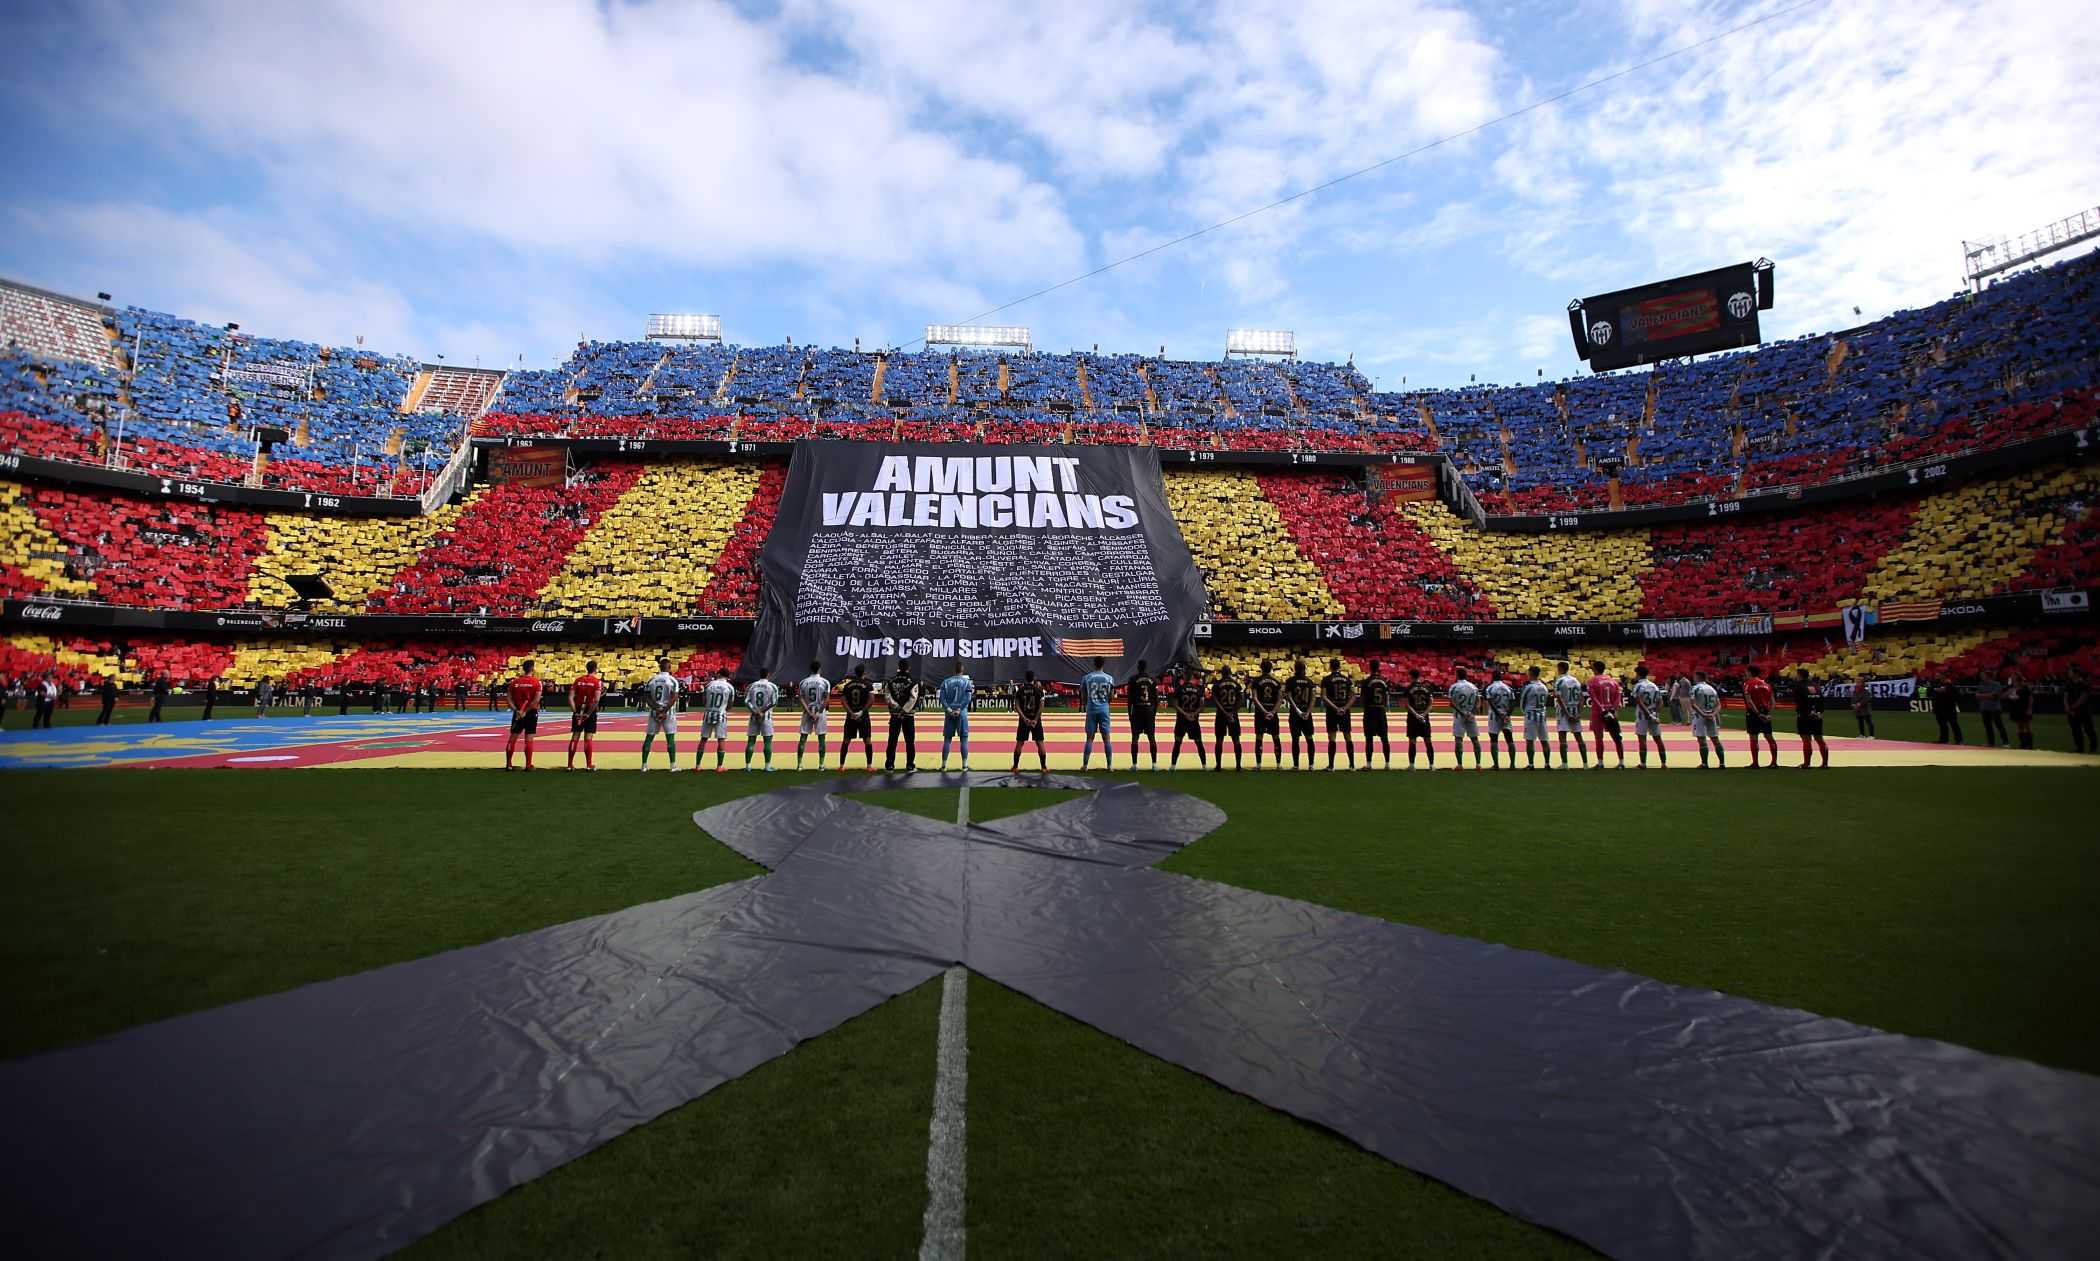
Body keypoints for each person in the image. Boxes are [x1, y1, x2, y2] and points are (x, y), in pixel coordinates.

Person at [638, 656, 682, 772]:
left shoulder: (651, 680)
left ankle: (644, 765)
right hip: (668, 712)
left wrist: (656, 709)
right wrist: (664, 710)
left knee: (649, 737)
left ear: (659, 667)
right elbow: (674, 697)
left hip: (654, 712)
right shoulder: (672, 680)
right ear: (669, 667)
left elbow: (646, 697)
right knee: (670, 738)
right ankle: (673, 765)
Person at [505, 660, 543, 771]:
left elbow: (508, 698)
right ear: (532, 669)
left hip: (517, 713)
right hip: (530, 712)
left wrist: (516, 710)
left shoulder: (515, 682)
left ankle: (508, 764)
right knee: (529, 739)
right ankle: (528, 765)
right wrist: (526, 711)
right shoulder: (536, 682)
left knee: (512, 738)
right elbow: (536, 700)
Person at [1319, 657, 1356, 770]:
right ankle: (1352, 765)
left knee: (1332, 737)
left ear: (1330, 666)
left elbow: (1324, 697)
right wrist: (1344, 708)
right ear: (1339, 667)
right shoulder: (1347, 680)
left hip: (1332, 711)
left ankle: (1331, 766)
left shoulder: (1326, 679)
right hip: (1345, 711)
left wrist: (1336, 708)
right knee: (1347, 736)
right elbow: (1353, 696)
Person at [567, 659, 605, 771]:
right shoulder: (597, 682)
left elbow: (570, 698)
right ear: (595, 669)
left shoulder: (577, 680)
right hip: (590, 710)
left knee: (575, 736)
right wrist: (588, 714)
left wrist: (575, 712)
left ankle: (569, 765)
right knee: (588, 737)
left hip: (578, 709)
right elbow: (596, 700)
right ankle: (589, 765)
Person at [937, 662, 975, 772]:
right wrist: (959, 709)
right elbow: (968, 698)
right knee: (964, 739)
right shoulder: (967, 682)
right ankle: (964, 766)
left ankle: (943, 766)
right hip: (961, 713)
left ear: (954, 670)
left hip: (949, 713)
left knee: (947, 739)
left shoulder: (946, 682)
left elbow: (942, 699)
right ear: (962, 671)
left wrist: (949, 709)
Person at [1078, 657, 1114, 771]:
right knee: (1106, 738)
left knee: (1089, 738)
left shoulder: (1087, 678)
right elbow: (1111, 696)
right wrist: (1106, 702)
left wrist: (1085, 703)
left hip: (1091, 708)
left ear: (1094, 664)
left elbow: (1083, 693)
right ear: (1103, 664)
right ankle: (1109, 766)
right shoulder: (1109, 678)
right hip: (1104, 709)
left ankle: (1085, 765)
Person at [795, 661, 832, 772]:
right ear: (819, 669)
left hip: (808, 712)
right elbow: (826, 699)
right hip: (820, 712)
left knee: (803, 738)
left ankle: (799, 765)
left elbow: (801, 698)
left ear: (810, 669)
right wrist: (818, 712)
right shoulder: (825, 682)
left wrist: (809, 712)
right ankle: (821, 765)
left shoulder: (803, 682)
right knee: (821, 738)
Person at [1168, 664, 1207, 769]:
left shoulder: (1179, 689)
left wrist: (1185, 714)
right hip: (1194, 720)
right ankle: (1204, 766)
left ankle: (1173, 766)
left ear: (1184, 676)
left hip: (1182, 719)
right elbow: (1202, 707)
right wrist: (1193, 714)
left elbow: (1175, 705)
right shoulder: (1198, 689)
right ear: (1192, 676)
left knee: (1177, 743)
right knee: (1199, 743)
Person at [697, 668, 737, 770]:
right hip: (721, 714)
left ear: (718, 674)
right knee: (721, 739)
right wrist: (724, 709)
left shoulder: (709, 685)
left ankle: (698, 765)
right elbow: (730, 704)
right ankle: (719, 766)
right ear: (728, 676)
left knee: (703, 739)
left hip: (708, 713)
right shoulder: (730, 687)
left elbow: (704, 700)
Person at [883, 663, 920, 772]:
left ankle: (889, 765)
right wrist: (904, 710)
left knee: (892, 740)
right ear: (909, 668)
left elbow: (887, 697)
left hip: (895, 714)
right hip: (908, 715)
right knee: (909, 741)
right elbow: (913, 698)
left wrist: (898, 708)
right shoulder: (913, 681)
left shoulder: (891, 681)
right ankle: (910, 765)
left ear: (898, 666)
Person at [1552, 661, 1589, 768]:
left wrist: (1567, 714)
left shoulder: (1559, 681)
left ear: (1560, 668)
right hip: (1575, 710)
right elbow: (1582, 697)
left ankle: (1564, 763)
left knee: (1562, 736)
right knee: (1579, 737)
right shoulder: (1575, 680)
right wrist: (1579, 713)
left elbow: (1559, 698)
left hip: (1564, 711)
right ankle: (1585, 763)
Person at [839, 665, 876, 770]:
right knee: (867, 740)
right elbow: (871, 700)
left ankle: (841, 766)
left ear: (855, 673)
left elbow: (843, 701)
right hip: (863, 715)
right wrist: (862, 711)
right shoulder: (868, 685)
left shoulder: (847, 685)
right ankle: (869, 766)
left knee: (846, 740)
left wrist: (851, 712)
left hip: (851, 715)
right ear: (864, 673)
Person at [745, 667, 782, 771]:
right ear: (768, 675)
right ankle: (767, 766)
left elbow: (747, 701)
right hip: (766, 717)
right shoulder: (772, 686)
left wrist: (755, 711)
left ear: (759, 674)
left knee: (751, 741)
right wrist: (762, 711)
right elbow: (774, 702)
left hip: (753, 716)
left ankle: (748, 766)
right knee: (767, 741)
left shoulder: (752, 686)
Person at [1630, 664, 1666, 768]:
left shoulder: (1638, 686)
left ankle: (1643, 763)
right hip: (1653, 713)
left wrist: (1648, 714)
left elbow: (1639, 701)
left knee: (1642, 739)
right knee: (1658, 739)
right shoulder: (1654, 685)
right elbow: (1660, 702)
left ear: (1638, 674)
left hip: (1643, 715)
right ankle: (1663, 763)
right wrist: (1655, 713)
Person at [1249, 660, 1284, 770]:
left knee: (1259, 737)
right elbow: (1280, 699)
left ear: (1261, 668)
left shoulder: (1256, 681)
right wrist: (1272, 712)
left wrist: (1264, 711)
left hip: (1260, 713)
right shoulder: (1276, 682)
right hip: (1273, 714)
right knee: (1276, 737)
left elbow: (1254, 698)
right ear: (1271, 668)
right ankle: (1278, 764)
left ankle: (1259, 764)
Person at [1742, 664, 1779, 767]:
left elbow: (1749, 701)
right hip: (1765, 712)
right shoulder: (1766, 684)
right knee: (1769, 737)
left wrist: (1758, 713)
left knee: (1753, 738)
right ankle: (1774, 762)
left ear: (1749, 672)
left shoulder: (1748, 684)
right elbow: (1772, 701)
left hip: (1754, 714)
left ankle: (1755, 763)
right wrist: (1767, 713)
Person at [1792, 667, 1828, 769]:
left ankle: (1807, 764)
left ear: (1799, 675)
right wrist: (1820, 713)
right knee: (1820, 739)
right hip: (1817, 716)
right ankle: (1825, 763)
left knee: (1806, 740)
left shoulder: (1799, 686)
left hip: (1804, 716)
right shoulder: (1816, 686)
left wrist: (1806, 712)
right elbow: (1821, 700)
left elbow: (1799, 702)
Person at [1012, 670, 1048, 772]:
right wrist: (1035, 719)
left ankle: (1015, 766)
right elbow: (1041, 707)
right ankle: (1044, 767)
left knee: (1020, 743)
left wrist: (1024, 718)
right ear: (1034, 678)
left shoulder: (1020, 690)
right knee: (1040, 743)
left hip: (1024, 720)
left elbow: (1017, 706)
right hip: (1035, 720)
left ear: (1026, 678)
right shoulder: (1039, 691)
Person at [1127, 660, 1160, 770]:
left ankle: (1135, 765)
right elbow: (1156, 699)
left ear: (1138, 667)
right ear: (1146, 667)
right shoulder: (1153, 680)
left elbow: (1130, 699)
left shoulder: (1132, 679)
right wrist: (1154, 713)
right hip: (1149, 711)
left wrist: (1129, 714)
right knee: (1151, 737)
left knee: (1135, 737)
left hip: (1137, 710)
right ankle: (1154, 765)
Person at [1447, 665, 1482, 769]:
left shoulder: (1454, 687)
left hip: (1459, 715)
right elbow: (1478, 702)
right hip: (1471, 716)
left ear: (1457, 675)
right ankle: (1478, 764)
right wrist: (1472, 713)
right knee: (1475, 739)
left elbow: (1452, 703)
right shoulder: (1473, 687)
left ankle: (1459, 764)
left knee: (1458, 740)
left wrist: (1463, 713)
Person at [1689, 669, 1725, 769]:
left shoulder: (1695, 688)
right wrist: (1713, 714)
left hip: (1700, 716)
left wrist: (1702, 714)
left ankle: (1704, 763)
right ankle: (1722, 763)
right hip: (1711, 715)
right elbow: (1719, 705)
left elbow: (1693, 704)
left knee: (1702, 740)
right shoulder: (1712, 688)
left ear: (1698, 677)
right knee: (1715, 739)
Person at [1284, 660, 1316, 769]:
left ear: (1295, 669)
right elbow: (1313, 699)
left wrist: (1297, 710)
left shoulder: (1290, 681)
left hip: (1295, 714)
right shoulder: (1309, 682)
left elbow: (1289, 697)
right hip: (1307, 713)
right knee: (1309, 738)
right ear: (1304, 669)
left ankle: (1296, 765)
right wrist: (1308, 712)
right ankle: (1311, 764)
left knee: (1295, 739)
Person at [1211, 666, 1244, 771]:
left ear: (1222, 673)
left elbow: (1215, 700)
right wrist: (1232, 712)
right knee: (1236, 739)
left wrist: (1224, 712)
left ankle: (1218, 765)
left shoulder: (1217, 685)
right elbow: (1241, 700)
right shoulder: (1236, 684)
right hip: (1233, 714)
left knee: (1219, 739)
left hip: (1221, 714)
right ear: (1230, 673)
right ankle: (1238, 765)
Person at [1360, 661, 1392, 769]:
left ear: (1370, 668)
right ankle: (1387, 764)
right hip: (1381, 711)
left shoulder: (1366, 681)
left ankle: (1369, 764)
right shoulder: (1384, 681)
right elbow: (1387, 697)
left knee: (1369, 738)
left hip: (1370, 711)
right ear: (1378, 668)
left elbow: (1363, 698)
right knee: (1384, 738)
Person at [1483, 670, 1516, 769]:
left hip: (1494, 716)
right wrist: (1507, 715)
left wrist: (1498, 714)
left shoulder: (1489, 688)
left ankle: (1496, 764)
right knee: (1509, 739)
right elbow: (1513, 702)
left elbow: (1490, 703)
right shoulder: (1508, 688)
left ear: (1492, 676)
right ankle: (1512, 764)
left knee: (1494, 740)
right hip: (1506, 715)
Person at [1519, 665, 1550, 769]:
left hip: (1531, 715)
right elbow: (1545, 701)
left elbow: (1522, 702)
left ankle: (1531, 764)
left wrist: (1525, 712)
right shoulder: (1544, 686)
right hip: (1542, 715)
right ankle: (1547, 763)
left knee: (1530, 740)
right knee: (1544, 740)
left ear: (1530, 673)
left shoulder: (1529, 687)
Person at [1404, 668, 1435, 769]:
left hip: (1413, 718)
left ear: (1411, 676)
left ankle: (1412, 765)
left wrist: (1416, 714)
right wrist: (1423, 714)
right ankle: (1431, 765)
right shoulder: (1426, 688)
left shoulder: (1408, 688)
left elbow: (1407, 704)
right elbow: (1431, 704)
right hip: (1424, 717)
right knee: (1428, 740)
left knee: (1412, 741)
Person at [1929, 671, 1964, 745]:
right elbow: (1930, 692)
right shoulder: (1935, 684)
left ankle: (1959, 740)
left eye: (1938, 674)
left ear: (1943, 676)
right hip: (1939, 708)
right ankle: (1943, 739)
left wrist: (1946, 690)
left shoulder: (1950, 685)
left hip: (1949, 708)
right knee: (1942, 724)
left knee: (1953, 724)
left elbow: (1957, 696)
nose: (1936, 676)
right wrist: (1936, 690)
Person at [2004, 666, 2034, 750]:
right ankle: (2022, 744)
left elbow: (2030, 698)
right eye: (2012, 676)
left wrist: (2029, 709)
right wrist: (2008, 694)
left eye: (2014, 676)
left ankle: (2030, 744)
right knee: (2019, 726)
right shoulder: (2011, 688)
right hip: (2015, 709)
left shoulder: (2025, 687)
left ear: (2018, 677)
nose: (2012, 678)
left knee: (2027, 726)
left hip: (2024, 708)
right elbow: (2004, 696)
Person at [2066, 666, 2094, 755]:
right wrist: (2067, 707)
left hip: (2083, 711)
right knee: (2075, 730)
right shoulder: (2069, 683)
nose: (2068, 673)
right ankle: (2079, 748)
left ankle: (2093, 746)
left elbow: (2084, 697)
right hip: (2072, 711)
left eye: (2070, 672)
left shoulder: (2083, 684)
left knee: (2088, 729)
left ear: (2076, 674)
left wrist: (2073, 707)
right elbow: (2065, 696)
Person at [1976, 669, 2007, 748]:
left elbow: (1994, 696)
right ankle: (1991, 743)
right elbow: (1977, 695)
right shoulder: (1981, 684)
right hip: (1984, 708)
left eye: (1983, 675)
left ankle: (2006, 742)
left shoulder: (1997, 684)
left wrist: (1983, 695)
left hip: (1994, 708)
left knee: (1999, 725)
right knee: (1988, 726)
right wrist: (1988, 695)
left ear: (1988, 676)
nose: (1981, 676)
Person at [1849, 673, 1876, 738]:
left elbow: (1867, 698)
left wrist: (1860, 703)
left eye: (1858, 682)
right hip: (1858, 709)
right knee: (1860, 722)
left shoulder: (1865, 690)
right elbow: (1853, 698)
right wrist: (1853, 704)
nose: (1857, 683)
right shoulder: (1855, 690)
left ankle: (1871, 735)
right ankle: (1862, 734)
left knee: (1868, 721)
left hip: (1865, 709)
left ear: (1862, 683)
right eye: (1856, 682)